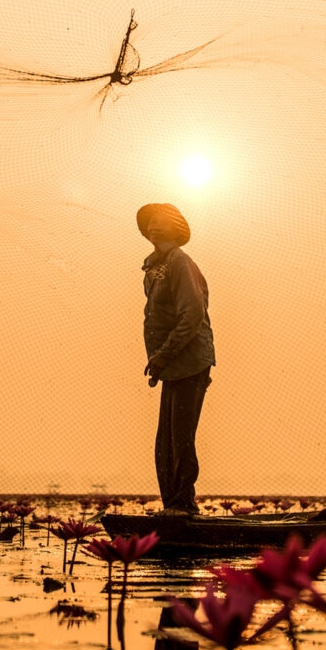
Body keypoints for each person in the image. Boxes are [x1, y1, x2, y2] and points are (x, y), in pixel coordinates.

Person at [137, 202, 215, 517]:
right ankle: (172, 504)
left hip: (190, 361)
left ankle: (183, 504)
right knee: (164, 442)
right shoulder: (156, 267)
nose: (154, 227)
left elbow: (192, 314)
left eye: (160, 222)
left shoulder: (181, 263)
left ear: (175, 227)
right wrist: (159, 361)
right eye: (150, 223)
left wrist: (164, 354)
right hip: (170, 365)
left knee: (181, 436)